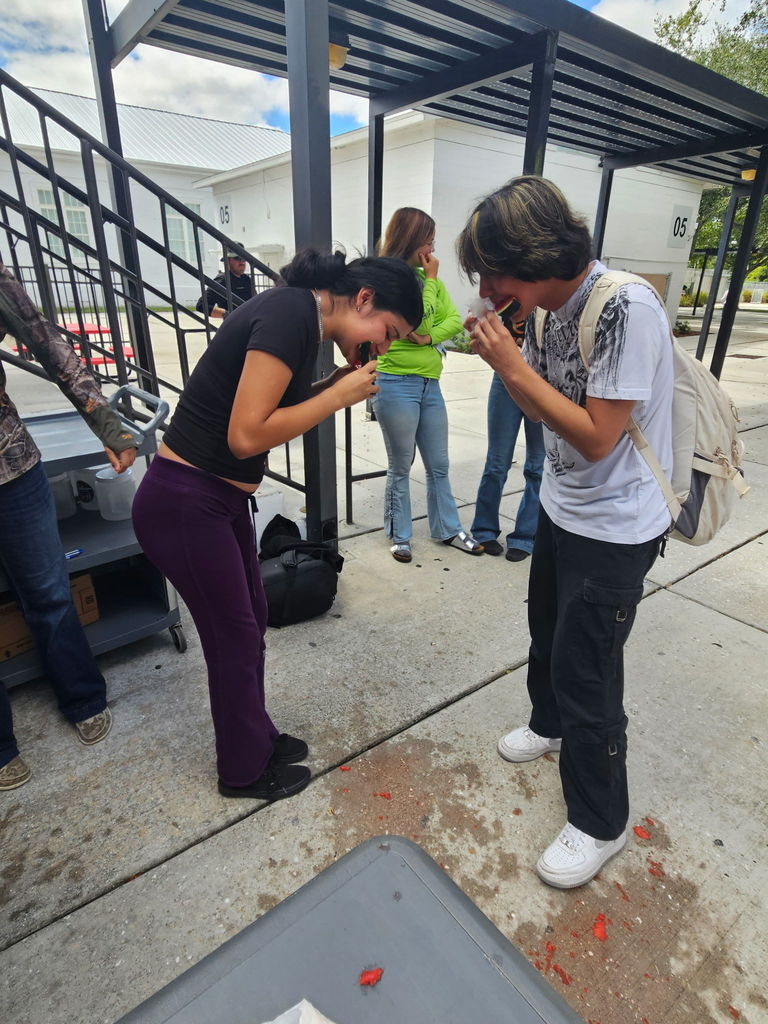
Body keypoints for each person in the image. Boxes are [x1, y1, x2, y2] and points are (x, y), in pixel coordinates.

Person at [132, 250, 422, 801]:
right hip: (185, 503)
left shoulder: (298, 318)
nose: (383, 348)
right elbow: (247, 435)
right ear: (364, 299)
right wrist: (337, 395)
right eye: (387, 331)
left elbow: (263, 417)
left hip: (214, 500)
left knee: (253, 618)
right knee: (233, 636)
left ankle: (257, 736)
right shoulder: (291, 315)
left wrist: (327, 387)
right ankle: (242, 770)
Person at [457, 177, 674, 887]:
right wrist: (507, 362)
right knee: (545, 629)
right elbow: (541, 411)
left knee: (588, 668)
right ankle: (546, 727)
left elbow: (597, 438)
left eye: (493, 272)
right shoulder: (548, 308)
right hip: (563, 504)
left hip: (616, 524)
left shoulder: (626, 308)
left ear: (536, 255)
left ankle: (600, 822)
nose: (486, 289)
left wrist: (511, 363)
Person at [0, 263, 138, 791]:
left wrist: (107, 424)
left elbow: (50, 346)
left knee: (49, 593)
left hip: (10, 466)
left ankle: (82, 697)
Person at [373, 207, 483, 563]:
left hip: (429, 384)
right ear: (410, 237)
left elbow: (451, 320)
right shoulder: (388, 277)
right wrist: (431, 282)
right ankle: (399, 535)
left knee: (439, 463)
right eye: (428, 237)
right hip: (396, 382)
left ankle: (448, 529)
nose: (432, 245)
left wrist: (428, 338)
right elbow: (415, 320)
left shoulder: (427, 274)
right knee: (401, 465)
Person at [470, 316, 545, 561]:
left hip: (544, 379)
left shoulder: (551, 294)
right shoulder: (506, 291)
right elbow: (478, 315)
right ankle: (483, 529)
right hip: (505, 378)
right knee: (497, 462)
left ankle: (525, 536)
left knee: (537, 466)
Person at [196, 246, 254, 318]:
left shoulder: (246, 279)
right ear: (227, 261)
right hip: (235, 326)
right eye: (237, 258)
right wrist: (228, 315)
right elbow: (202, 305)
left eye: (244, 258)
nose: (242, 262)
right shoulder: (222, 280)